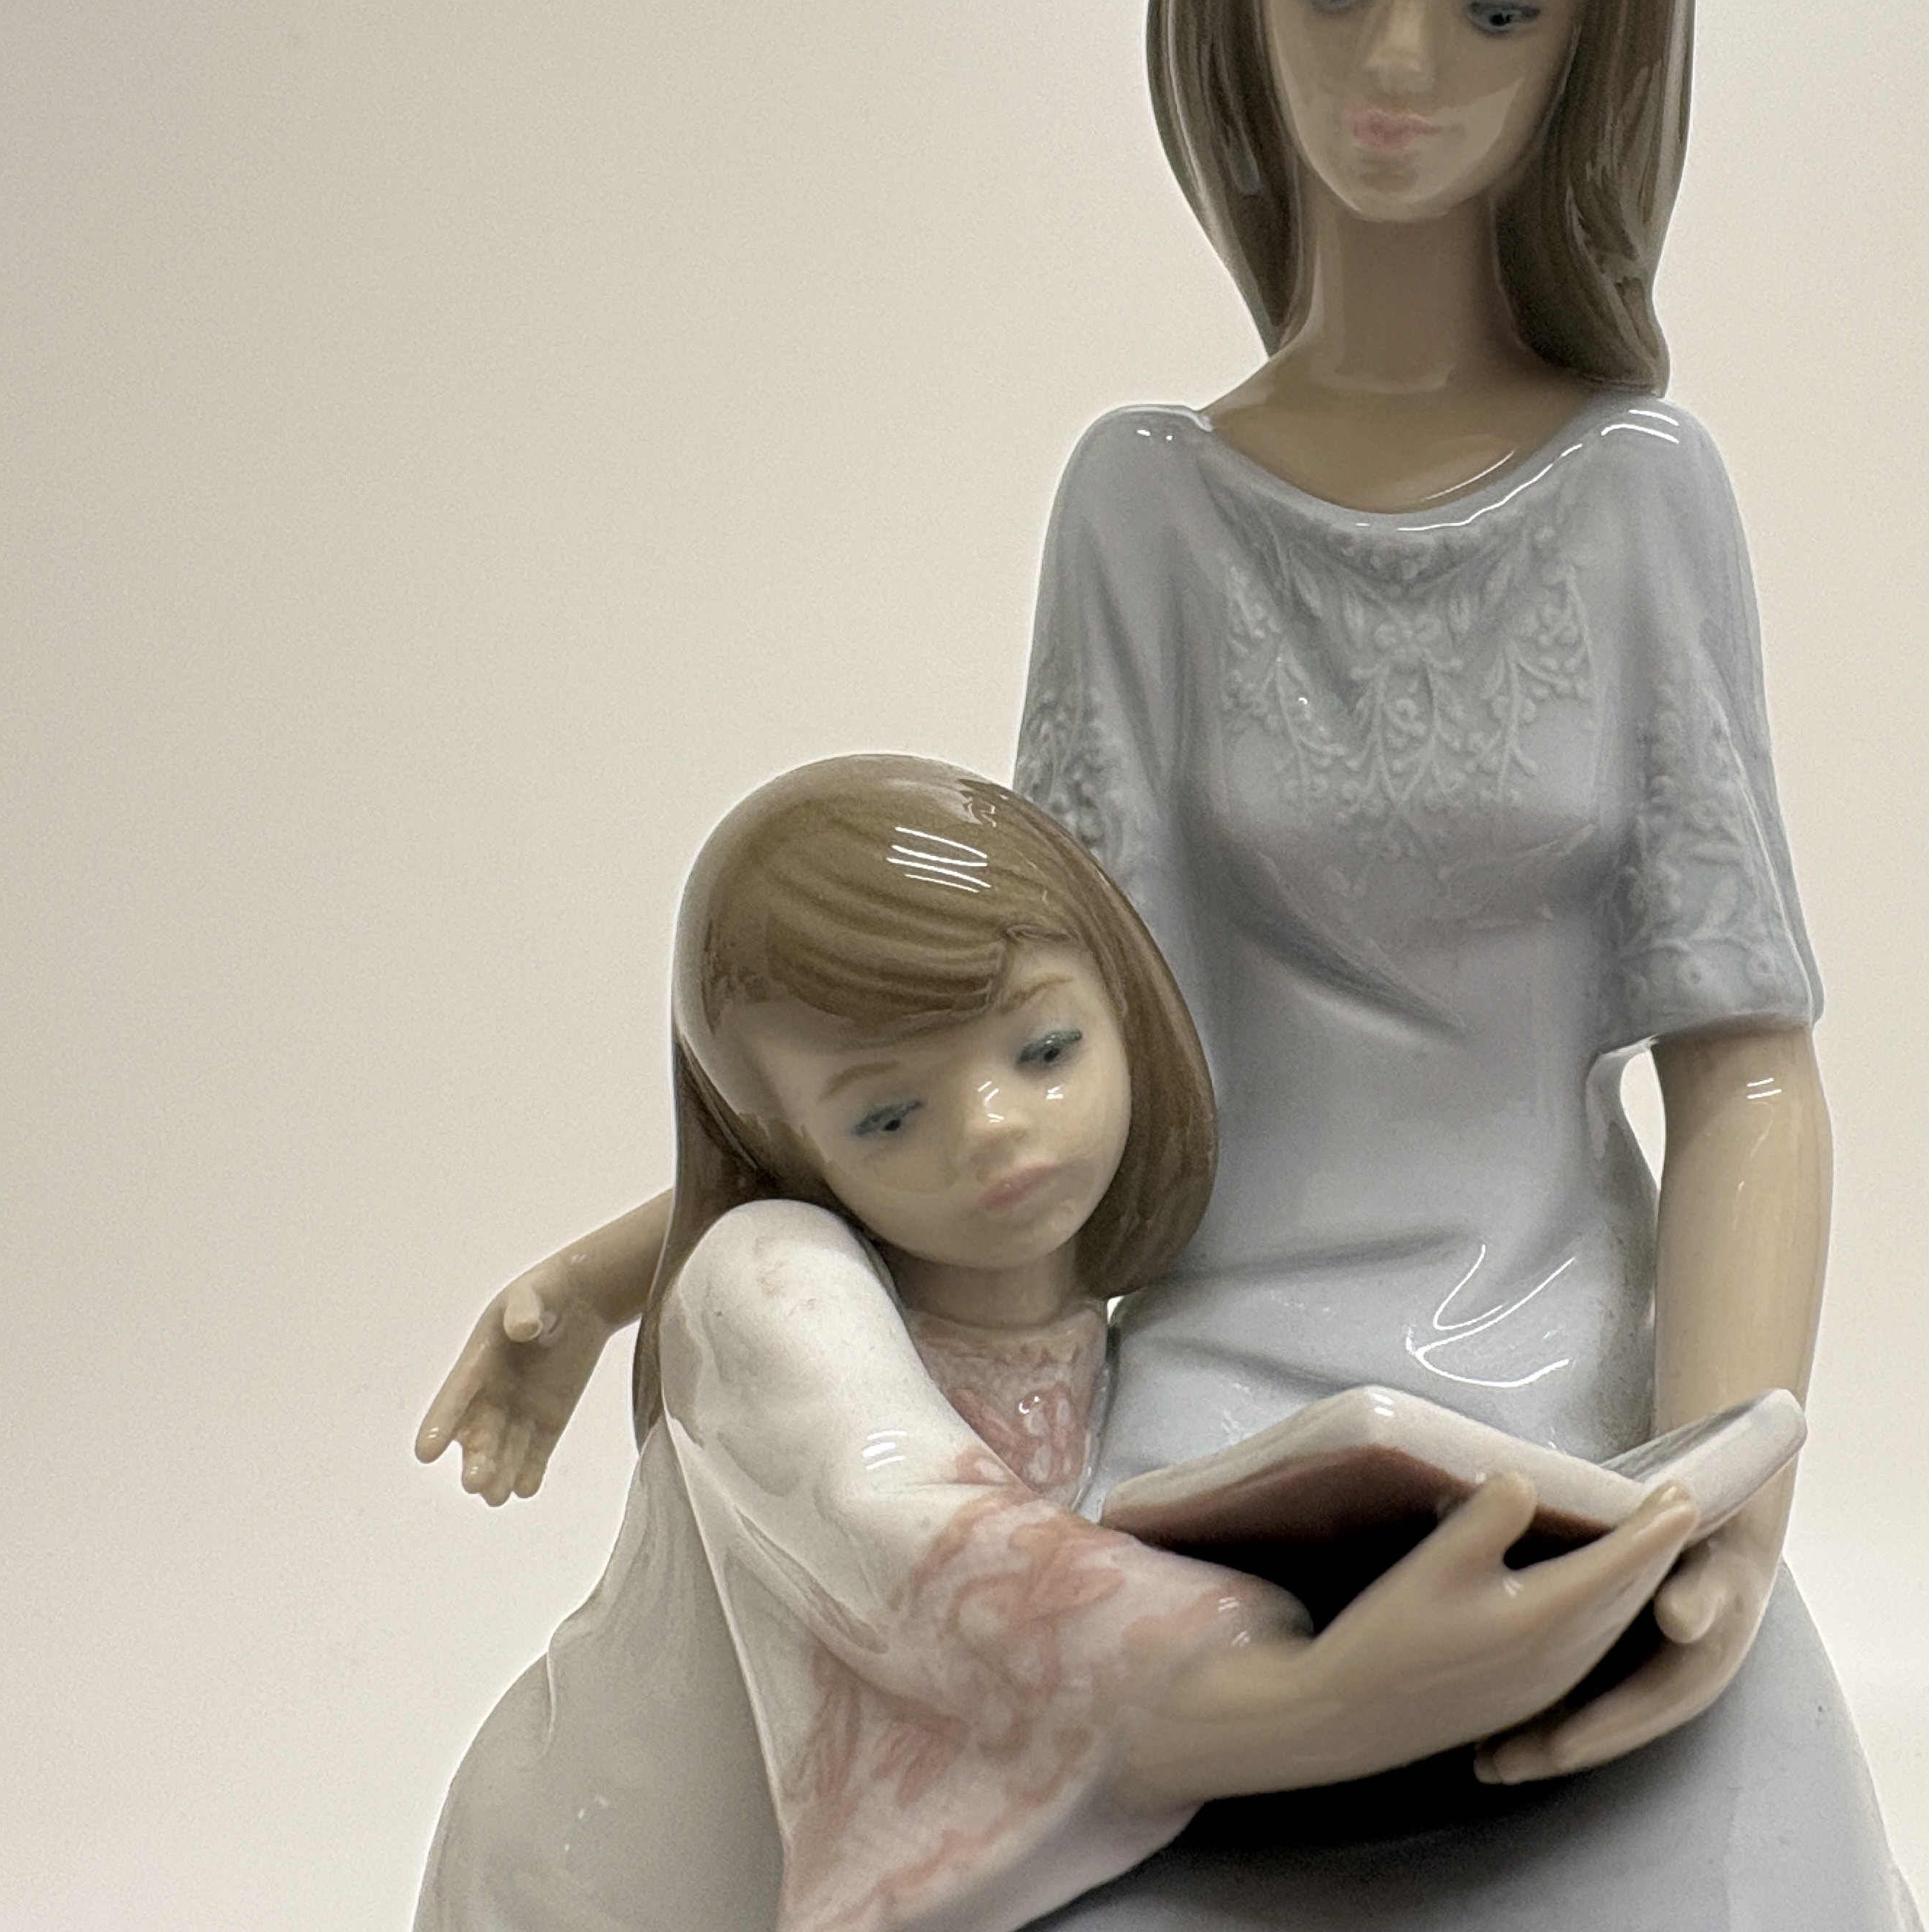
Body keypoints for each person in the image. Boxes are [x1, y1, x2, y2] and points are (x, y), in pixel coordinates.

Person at [421, 0, 1918, 1920]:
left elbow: (1746, 1062)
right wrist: (610, 1268)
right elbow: (1018, 1026)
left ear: (1589, 43)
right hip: (1215, 1391)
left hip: (1570, 1376)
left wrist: (1726, 1493)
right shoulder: (1142, 509)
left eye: (1497, 3)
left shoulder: (1644, 500)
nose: (1399, 64)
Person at [415, 756, 1697, 1932]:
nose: (992, 1127)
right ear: (789, 1148)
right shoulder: (769, 1283)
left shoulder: (1096, 1275)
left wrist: (583, 1288)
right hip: (606, 1877)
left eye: (1044, 1049)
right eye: (889, 1118)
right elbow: (918, 1533)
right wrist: (1312, 1703)